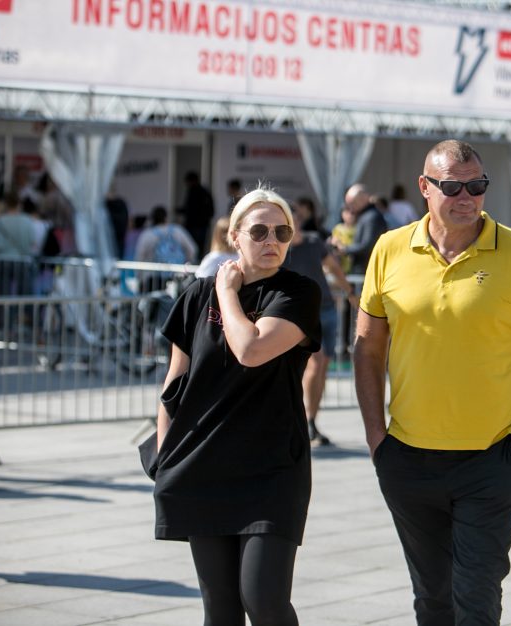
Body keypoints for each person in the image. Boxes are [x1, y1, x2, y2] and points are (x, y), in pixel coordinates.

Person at [354, 140, 511, 624]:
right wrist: (375, 438)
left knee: (476, 595)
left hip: (490, 461)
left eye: (477, 185)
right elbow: (366, 348)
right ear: (425, 187)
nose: (467, 196)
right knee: (432, 597)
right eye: (453, 186)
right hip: (407, 458)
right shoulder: (389, 248)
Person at [151, 186, 321, 626]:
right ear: (235, 237)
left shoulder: (297, 293)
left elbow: (250, 348)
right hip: (203, 466)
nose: (272, 241)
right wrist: (164, 456)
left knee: (263, 600)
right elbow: (175, 382)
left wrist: (227, 292)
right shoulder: (194, 296)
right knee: (221, 609)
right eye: (260, 231)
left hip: (271, 470)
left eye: (282, 232)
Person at [284, 219, 358, 445]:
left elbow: (333, 268)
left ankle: (311, 421)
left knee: (322, 365)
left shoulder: (314, 242)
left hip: (325, 308)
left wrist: (350, 291)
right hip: (301, 313)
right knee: (315, 363)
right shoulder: (281, 249)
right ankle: (302, 420)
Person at [335, 183, 387, 276]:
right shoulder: (366, 216)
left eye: (352, 203)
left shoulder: (371, 217)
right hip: (364, 270)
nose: (350, 208)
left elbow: (367, 245)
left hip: (366, 271)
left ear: (363, 199)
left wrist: (345, 249)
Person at [178, 171, 215, 259]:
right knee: (199, 249)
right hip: (202, 226)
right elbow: (211, 211)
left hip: (193, 226)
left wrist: (180, 211)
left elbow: (190, 209)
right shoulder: (205, 192)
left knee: (191, 247)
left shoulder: (193, 192)